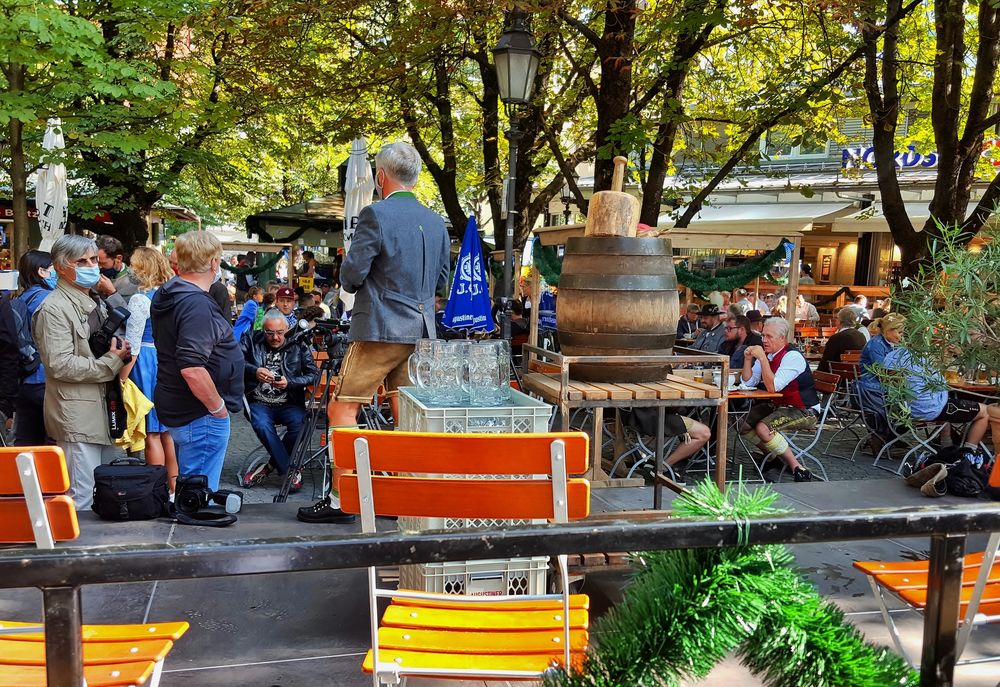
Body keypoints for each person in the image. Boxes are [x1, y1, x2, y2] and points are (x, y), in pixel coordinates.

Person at [300, 141, 450, 525]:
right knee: (408, 415)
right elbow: (442, 283)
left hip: (381, 328)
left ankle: (341, 498)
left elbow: (350, 278)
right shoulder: (436, 222)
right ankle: (404, 497)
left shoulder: (375, 215)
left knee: (341, 408)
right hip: (421, 332)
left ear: (381, 177)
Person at [33, 235, 133, 508]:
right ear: (62, 266)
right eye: (82, 261)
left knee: (102, 495)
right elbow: (60, 364)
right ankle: (77, 552)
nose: (91, 266)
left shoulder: (93, 300)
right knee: (81, 499)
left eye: (93, 260)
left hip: (101, 410)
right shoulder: (54, 308)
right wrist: (112, 361)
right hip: (76, 415)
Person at [152, 232, 243, 491]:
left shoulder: (170, 293)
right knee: (199, 497)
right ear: (215, 263)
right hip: (198, 410)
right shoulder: (195, 303)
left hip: (180, 403)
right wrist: (217, 409)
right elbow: (192, 367)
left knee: (191, 488)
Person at [241, 309, 320, 491]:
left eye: (280, 333)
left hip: (289, 402)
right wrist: (254, 371)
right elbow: (235, 360)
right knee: (261, 423)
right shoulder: (252, 339)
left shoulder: (298, 343)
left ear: (287, 329)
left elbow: (313, 374)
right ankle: (288, 470)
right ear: (263, 330)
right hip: (258, 401)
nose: (275, 338)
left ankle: (270, 465)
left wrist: (290, 382)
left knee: (302, 424)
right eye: (269, 333)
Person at [120, 247, 178, 491]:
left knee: (152, 431)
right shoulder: (172, 296)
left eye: (135, 265)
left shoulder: (139, 299)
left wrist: (121, 377)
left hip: (145, 362)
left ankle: (157, 490)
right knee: (167, 432)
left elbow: (132, 344)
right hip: (166, 359)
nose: (132, 270)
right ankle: (174, 489)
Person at [739, 317, 819, 482]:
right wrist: (748, 359)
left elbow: (773, 387)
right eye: (763, 336)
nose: (764, 340)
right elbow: (748, 382)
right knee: (740, 423)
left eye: (769, 336)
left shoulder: (792, 356)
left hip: (804, 409)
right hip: (778, 405)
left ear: (782, 338)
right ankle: (773, 455)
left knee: (763, 428)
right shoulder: (768, 355)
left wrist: (761, 358)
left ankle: (797, 467)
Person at [882, 345, 993, 454]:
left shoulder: (891, 356)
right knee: (986, 411)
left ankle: (947, 447)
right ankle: (968, 453)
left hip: (903, 409)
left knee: (946, 403)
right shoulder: (919, 359)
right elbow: (941, 384)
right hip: (927, 409)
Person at [12, 250, 56, 445]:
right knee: (52, 440)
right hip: (46, 377)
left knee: (27, 441)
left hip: (25, 377)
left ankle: (24, 475)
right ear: (42, 271)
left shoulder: (20, 299)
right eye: (54, 269)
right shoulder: (49, 299)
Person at [168, 248, 229, 315]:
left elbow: (225, 319)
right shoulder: (168, 286)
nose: (172, 267)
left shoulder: (218, 289)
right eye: (170, 262)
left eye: (176, 264)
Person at [818, 307, 867, 373]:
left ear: (840, 321)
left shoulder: (837, 337)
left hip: (838, 375)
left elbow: (825, 362)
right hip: (857, 374)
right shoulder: (861, 335)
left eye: (836, 318)